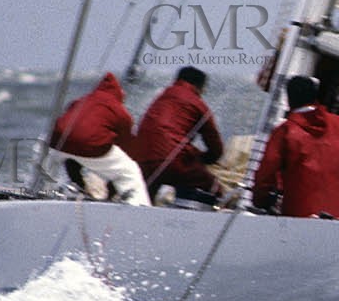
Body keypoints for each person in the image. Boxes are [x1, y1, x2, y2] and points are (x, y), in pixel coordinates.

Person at [252, 76, 339, 221]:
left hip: (298, 217)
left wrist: (261, 200)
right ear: (315, 97)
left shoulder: (285, 131)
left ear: (289, 99)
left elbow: (265, 172)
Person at [49, 72, 150, 206]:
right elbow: (126, 145)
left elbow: (71, 124)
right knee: (130, 172)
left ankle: (63, 189)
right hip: (87, 145)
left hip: (55, 142)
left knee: (71, 154)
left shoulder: (81, 101)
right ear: (119, 94)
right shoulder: (118, 109)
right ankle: (138, 205)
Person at [135, 66, 224, 203]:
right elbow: (215, 147)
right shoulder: (197, 104)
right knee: (211, 187)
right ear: (200, 87)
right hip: (173, 160)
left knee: (145, 198)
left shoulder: (161, 98)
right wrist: (204, 159)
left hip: (142, 158)